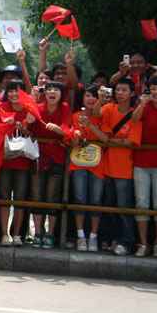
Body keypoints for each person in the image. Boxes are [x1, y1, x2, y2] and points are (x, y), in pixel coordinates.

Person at [93, 78, 142, 256]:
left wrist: (110, 141)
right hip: (107, 167)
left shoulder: (136, 114)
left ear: (132, 93)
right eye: (118, 90)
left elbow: (131, 142)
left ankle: (127, 242)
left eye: (124, 90)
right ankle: (112, 239)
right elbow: (96, 113)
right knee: (109, 207)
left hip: (125, 169)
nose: (120, 93)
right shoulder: (109, 108)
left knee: (123, 208)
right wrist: (99, 99)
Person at [0, 80, 36, 247]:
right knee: (3, 197)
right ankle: (5, 234)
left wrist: (25, 127)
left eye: (17, 91)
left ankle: (17, 234)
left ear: (24, 93)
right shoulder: (0, 109)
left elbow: (36, 135)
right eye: (10, 91)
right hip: (4, 161)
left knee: (20, 198)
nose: (13, 94)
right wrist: (6, 126)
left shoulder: (30, 110)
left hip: (23, 161)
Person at [29, 81, 71, 249]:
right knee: (36, 196)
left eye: (56, 89)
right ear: (44, 93)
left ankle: (50, 234)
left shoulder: (65, 108)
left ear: (61, 93)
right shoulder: (37, 107)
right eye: (49, 89)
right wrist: (28, 116)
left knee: (52, 196)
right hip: (38, 158)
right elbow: (28, 127)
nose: (52, 92)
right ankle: (37, 233)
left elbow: (67, 130)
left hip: (57, 158)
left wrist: (58, 130)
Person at [69, 85, 106, 251]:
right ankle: (80, 236)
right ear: (83, 98)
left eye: (95, 96)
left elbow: (105, 139)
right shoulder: (75, 116)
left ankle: (93, 237)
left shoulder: (104, 115)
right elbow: (72, 141)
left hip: (98, 163)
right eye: (88, 95)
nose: (91, 99)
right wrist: (75, 135)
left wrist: (90, 125)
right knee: (79, 198)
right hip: (78, 162)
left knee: (96, 200)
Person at [131, 76, 157, 257]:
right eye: (154, 88)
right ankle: (143, 244)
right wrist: (142, 104)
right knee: (141, 203)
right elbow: (134, 120)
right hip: (141, 163)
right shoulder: (145, 106)